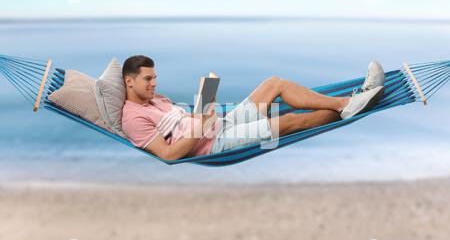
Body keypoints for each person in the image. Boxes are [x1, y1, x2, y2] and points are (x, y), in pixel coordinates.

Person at [121, 55, 385, 160]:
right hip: (214, 143)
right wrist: (202, 124)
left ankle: (346, 103)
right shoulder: (132, 118)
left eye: (155, 77)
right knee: (290, 122)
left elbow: (184, 120)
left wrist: (204, 111)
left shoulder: (156, 99)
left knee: (274, 83)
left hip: (219, 123)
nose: (155, 83)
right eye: (148, 79)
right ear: (129, 81)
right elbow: (168, 155)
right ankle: (352, 104)